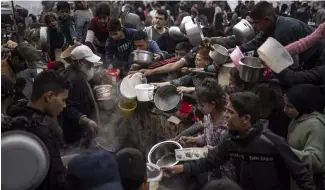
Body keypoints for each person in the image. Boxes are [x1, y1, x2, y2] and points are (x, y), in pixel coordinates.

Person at [162, 92, 317, 190]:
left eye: (230, 112)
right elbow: (210, 161)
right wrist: (177, 169)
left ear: (246, 118)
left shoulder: (273, 143)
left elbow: (302, 175)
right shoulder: (230, 139)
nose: (226, 116)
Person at [4, 70, 70, 189]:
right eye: (63, 100)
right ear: (49, 96)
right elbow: (56, 182)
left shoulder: (15, 115)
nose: (64, 106)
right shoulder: (39, 132)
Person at [240, 1, 325, 70]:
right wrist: (241, 48)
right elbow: (258, 40)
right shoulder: (272, 24)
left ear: (267, 19)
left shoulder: (283, 31)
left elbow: (291, 62)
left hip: (317, 53)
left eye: (256, 23)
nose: (255, 27)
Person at [179, 78, 236, 181]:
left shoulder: (227, 125)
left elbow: (229, 154)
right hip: (211, 167)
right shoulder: (208, 115)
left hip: (226, 172)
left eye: (202, 105)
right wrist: (193, 139)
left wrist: (213, 150)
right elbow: (207, 136)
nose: (199, 108)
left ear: (213, 104)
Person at [284, 84, 325, 189]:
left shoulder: (315, 126)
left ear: (302, 105)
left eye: (289, 106)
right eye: (284, 105)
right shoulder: (297, 119)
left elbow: (317, 161)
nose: (285, 109)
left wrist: (286, 151)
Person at [61, 45, 102, 145]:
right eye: (90, 63)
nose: (92, 65)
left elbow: (80, 94)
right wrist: (86, 121)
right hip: (77, 133)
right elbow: (66, 107)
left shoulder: (76, 71)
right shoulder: (74, 80)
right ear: (80, 62)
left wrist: (92, 90)